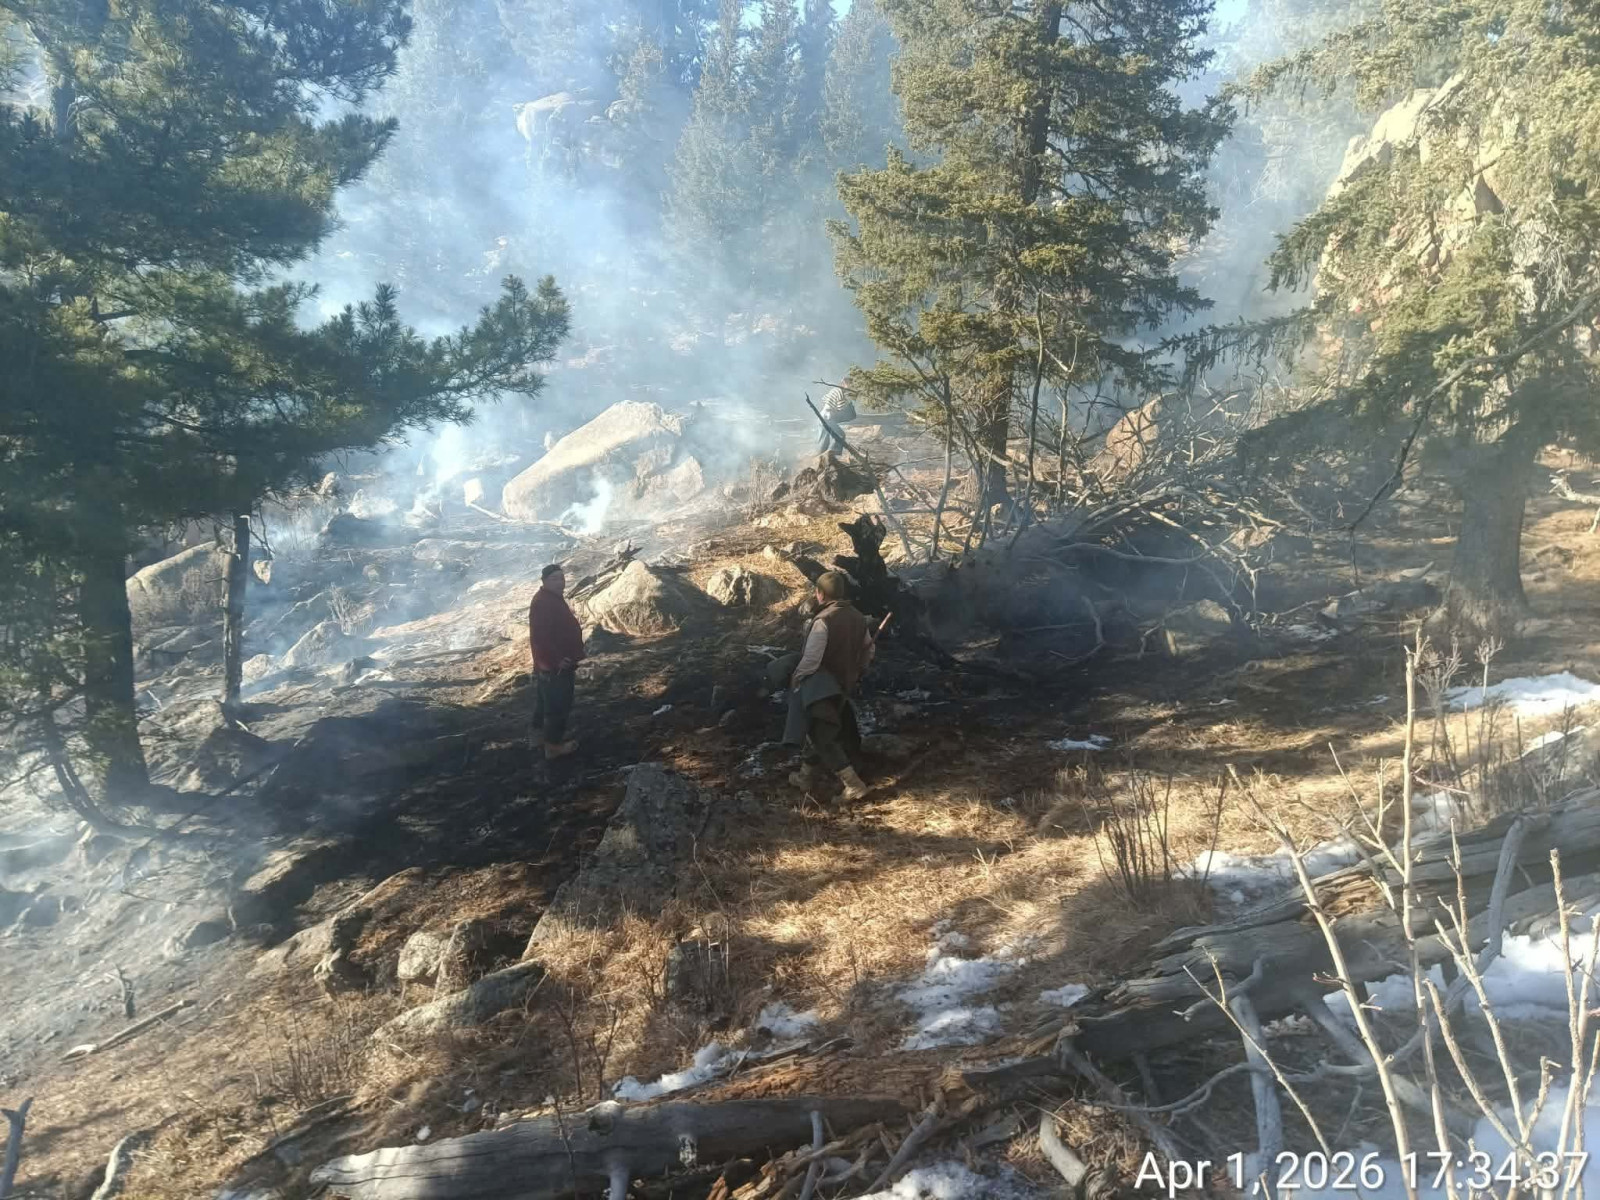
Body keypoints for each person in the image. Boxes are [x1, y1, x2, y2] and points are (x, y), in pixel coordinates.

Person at [782, 571, 876, 800]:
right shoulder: (857, 617)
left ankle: (853, 785)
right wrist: (857, 672)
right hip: (843, 685)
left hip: (821, 687)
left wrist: (797, 677)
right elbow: (869, 651)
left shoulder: (823, 620)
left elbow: (812, 659)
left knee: (822, 736)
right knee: (820, 729)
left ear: (820, 593)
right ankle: (805, 777)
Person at [528, 563, 584, 760]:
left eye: (561, 578)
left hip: (552, 664)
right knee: (558, 705)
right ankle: (553, 746)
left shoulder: (551, 598)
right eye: (554, 579)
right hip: (555, 666)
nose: (560, 582)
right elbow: (541, 637)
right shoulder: (543, 602)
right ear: (544, 581)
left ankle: (537, 738)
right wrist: (557, 660)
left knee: (544, 702)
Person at [815, 386, 856, 457]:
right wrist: (850, 402)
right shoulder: (840, 392)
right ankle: (832, 453)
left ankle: (820, 458)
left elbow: (825, 400)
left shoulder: (834, 390)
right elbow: (841, 408)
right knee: (840, 435)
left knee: (823, 442)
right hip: (827, 418)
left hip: (821, 417)